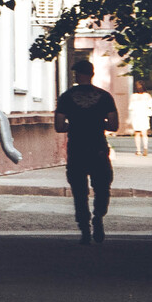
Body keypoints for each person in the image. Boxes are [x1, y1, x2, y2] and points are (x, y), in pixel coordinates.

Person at [55, 59, 119, 244]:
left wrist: (75, 124)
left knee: (79, 190)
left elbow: (59, 126)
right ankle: (98, 216)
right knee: (102, 186)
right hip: (98, 147)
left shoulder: (66, 97)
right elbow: (114, 125)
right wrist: (97, 123)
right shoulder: (105, 97)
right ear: (92, 74)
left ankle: (84, 228)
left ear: (77, 75)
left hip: (76, 148)